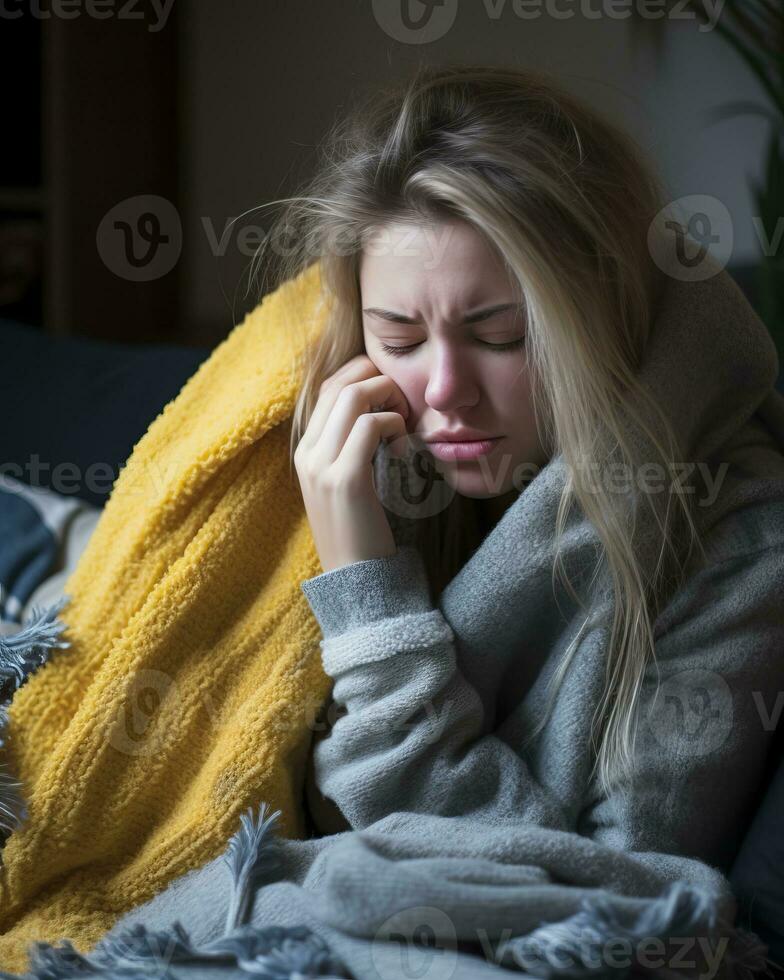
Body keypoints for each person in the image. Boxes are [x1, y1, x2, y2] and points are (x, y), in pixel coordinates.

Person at [245, 62, 784, 859]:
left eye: (503, 335)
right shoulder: (346, 454)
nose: (447, 391)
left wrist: (369, 603)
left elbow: (612, 906)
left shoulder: (742, 540)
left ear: (608, 316)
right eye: (398, 339)